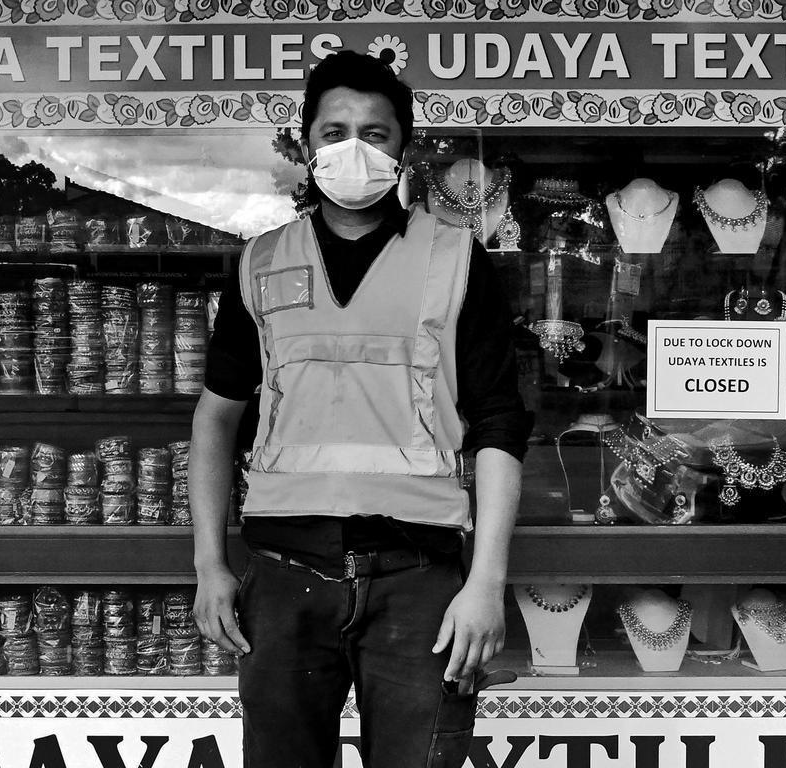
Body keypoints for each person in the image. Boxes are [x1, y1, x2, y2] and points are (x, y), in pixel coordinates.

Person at [189, 49, 531, 768]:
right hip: (283, 580)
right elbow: (216, 418)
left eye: (374, 134)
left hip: (420, 584)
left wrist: (485, 585)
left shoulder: (458, 260)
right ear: (305, 144)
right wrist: (210, 566)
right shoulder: (259, 262)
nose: (353, 148)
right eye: (333, 130)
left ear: (404, 149)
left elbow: (499, 425)